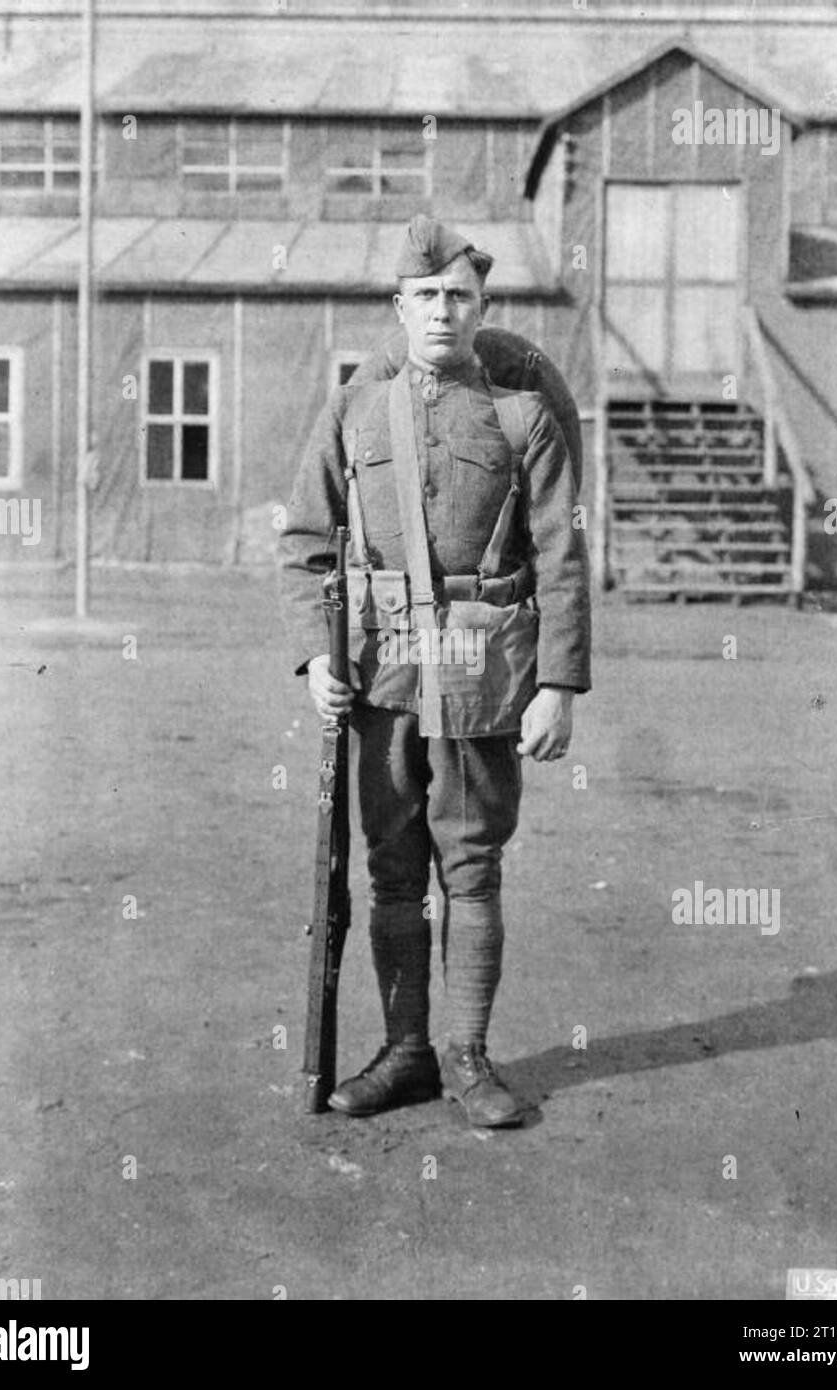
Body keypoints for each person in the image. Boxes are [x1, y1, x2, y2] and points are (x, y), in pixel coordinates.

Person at [279, 214, 591, 1127]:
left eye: (459, 296)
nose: (442, 311)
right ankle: (407, 1051)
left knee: (473, 863)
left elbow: (561, 556)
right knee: (390, 865)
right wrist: (311, 656)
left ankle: (467, 1057)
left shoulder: (520, 416)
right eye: (425, 296)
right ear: (399, 308)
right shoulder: (355, 411)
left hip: (485, 669)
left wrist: (560, 685)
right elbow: (304, 540)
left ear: (482, 306)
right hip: (382, 675)